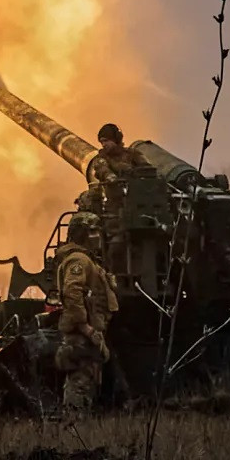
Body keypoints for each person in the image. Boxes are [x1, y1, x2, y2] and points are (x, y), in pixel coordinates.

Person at [53, 211, 118, 416]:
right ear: (80, 234)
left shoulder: (88, 261)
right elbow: (72, 294)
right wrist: (87, 329)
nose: (97, 235)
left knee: (89, 380)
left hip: (90, 334)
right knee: (79, 382)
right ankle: (74, 430)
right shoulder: (78, 260)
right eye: (91, 231)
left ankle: (79, 430)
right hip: (82, 336)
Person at [85, 123, 154, 184]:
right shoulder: (101, 158)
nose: (103, 144)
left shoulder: (132, 153)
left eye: (106, 141)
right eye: (102, 142)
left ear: (116, 139)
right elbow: (103, 170)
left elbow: (148, 170)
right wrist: (112, 178)